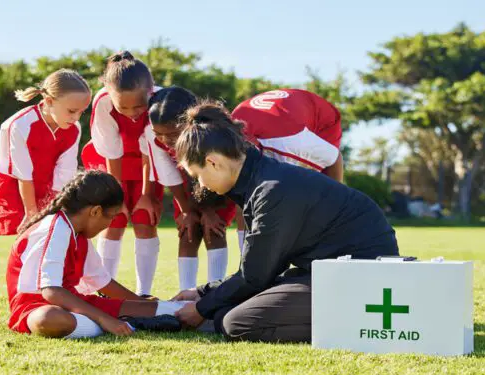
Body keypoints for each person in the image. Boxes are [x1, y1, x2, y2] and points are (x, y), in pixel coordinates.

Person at [171, 101, 399, 343]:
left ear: (213, 162)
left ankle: (356, 321)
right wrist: (202, 293)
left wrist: (200, 309)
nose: (201, 185)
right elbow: (258, 268)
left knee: (236, 322)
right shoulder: (259, 180)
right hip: (325, 271)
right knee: (228, 310)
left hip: (360, 275)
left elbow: (255, 276)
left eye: (197, 176)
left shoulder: (271, 190)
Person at [7, 170, 188, 339]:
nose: (109, 224)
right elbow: (52, 292)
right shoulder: (57, 228)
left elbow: (103, 282)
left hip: (74, 304)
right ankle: (125, 323)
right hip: (35, 307)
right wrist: (104, 319)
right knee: (49, 319)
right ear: (95, 211)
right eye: (111, 217)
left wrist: (142, 303)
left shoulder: (78, 234)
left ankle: (136, 320)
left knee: (167, 309)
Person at [81, 51, 182, 296]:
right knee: (113, 219)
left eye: (138, 105)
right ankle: (106, 289)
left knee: (144, 219)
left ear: (149, 92)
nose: (131, 112)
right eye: (123, 107)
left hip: (149, 164)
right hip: (112, 161)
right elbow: (111, 152)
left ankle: (143, 292)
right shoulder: (103, 102)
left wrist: (147, 196)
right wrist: (117, 196)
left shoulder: (159, 102)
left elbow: (151, 151)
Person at [230, 89, 345, 250]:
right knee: (249, 193)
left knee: (299, 194)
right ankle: (249, 260)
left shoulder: (286, 141)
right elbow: (243, 198)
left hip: (321, 120)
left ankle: (331, 232)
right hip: (285, 111)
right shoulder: (231, 133)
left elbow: (335, 159)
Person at [147, 86, 234, 290]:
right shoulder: (158, 141)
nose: (164, 140)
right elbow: (171, 175)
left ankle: (215, 290)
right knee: (188, 229)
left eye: (171, 134)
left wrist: (209, 211)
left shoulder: (211, 135)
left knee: (214, 229)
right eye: (158, 133)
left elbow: (213, 174)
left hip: (219, 183)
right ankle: (185, 292)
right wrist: (187, 210)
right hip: (186, 186)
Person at [0, 69, 90, 235]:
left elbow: (65, 172)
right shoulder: (20, 125)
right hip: (14, 182)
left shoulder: (74, 129)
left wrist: (55, 208)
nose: (76, 118)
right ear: (49, 101)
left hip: (47, 180)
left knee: (50, 229)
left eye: (81, 112)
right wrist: (31, 213)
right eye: (72, 111)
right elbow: (23, 173)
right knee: (24, 231)